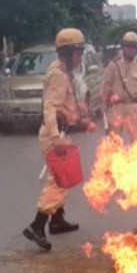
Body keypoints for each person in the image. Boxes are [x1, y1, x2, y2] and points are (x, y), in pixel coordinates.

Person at [23, 28, 96, 251]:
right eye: (78, 52)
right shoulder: (57, 74)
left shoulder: (63, 72)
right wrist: (55, 138)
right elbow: (50, 107)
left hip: (60, 132)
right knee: (59, 181)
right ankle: (37, 225)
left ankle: (57, 220)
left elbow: (65, 107)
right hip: (54, 134)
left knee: (64, 178)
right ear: (67, 52)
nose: (80, 57)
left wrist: (81, 119)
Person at [101, 31, 137, 143]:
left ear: (136, 49)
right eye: (128, 46)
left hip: (134, 107)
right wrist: (103, 103)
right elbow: (106, 85)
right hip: (116, 107)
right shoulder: (113, 64)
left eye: (133, 47)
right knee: (113, 141)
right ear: (123, 47)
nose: (130, 49)